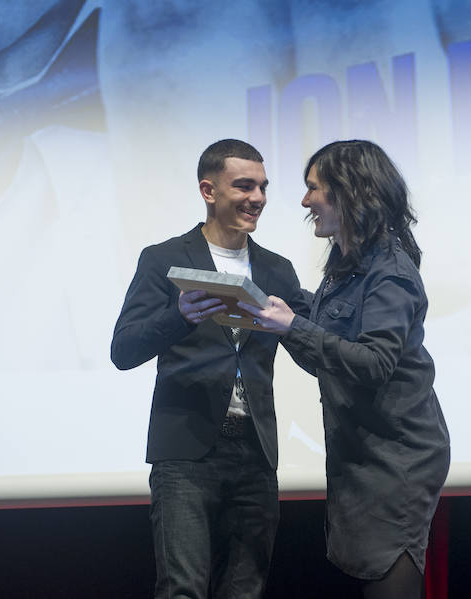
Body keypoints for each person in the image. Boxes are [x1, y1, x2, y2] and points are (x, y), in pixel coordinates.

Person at [239, 140, 451, 599]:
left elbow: (372, 364)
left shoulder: (389, 273)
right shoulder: (348, 265)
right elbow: (330, 352)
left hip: (397, 460)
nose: (304, 200)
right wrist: (278, 313)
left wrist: (293, 325)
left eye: (313, 188)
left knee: (388, 576)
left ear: (348, 191)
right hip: (365, 456)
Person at [110, 139, 310, 598]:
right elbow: (123, 350)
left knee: (245, 590)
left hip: (256, 452)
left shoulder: (276, 269)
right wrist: (177, 315)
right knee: (183, 589)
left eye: (262, 187)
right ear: (208, 190)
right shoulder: (163, 259)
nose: (257, 197)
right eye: (244, 185)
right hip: (185, 451)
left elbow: (313, 344)